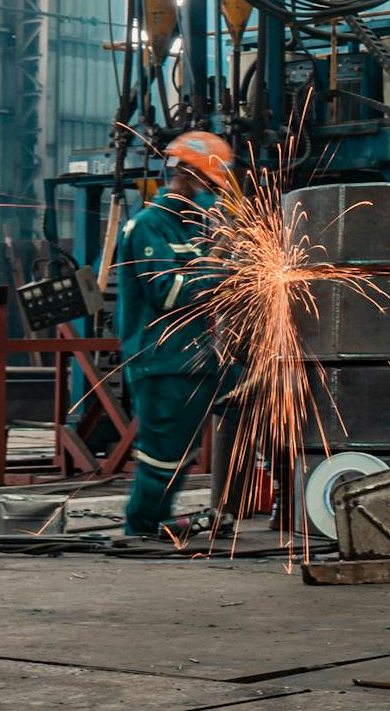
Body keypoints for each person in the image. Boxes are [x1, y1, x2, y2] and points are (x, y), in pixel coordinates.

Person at [117, 130, 240, 538]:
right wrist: (219, 259)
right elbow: (169, 292)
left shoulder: (192, 228)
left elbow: (211, 286)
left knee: (260, 392)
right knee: (164, 460)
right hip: (164, 362)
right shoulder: (148, 227)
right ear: (187, 178)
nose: (214, 197)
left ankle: (261, 499)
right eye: (210, 187)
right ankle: (142, 528)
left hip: (200, 358)